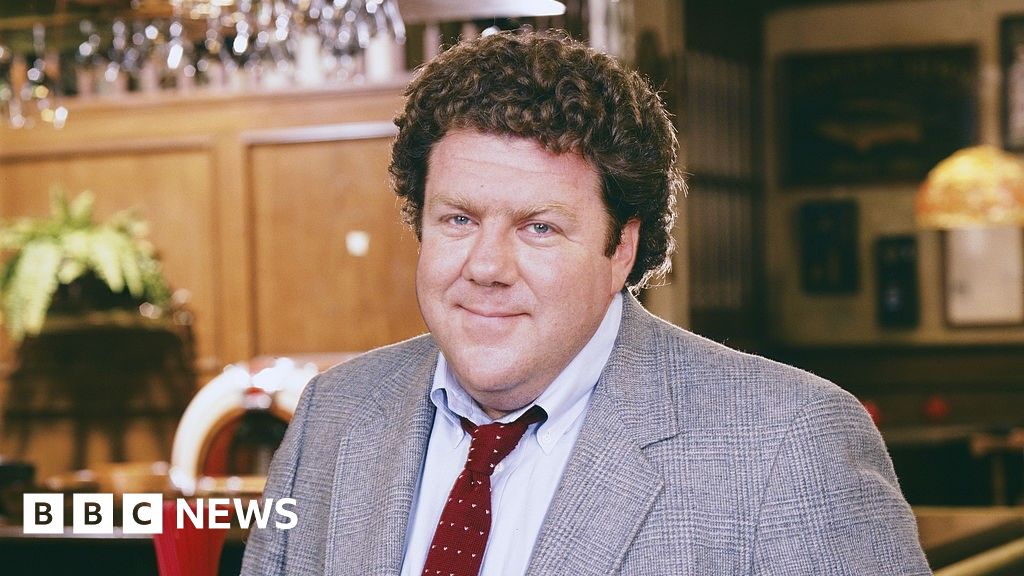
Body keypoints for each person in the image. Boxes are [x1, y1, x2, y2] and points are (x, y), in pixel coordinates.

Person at [241, 31, 930, 575]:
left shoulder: (788, 443)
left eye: (539, 228)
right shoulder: (335, 414)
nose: (486, 267)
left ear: (621, 249)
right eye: (458, 219)